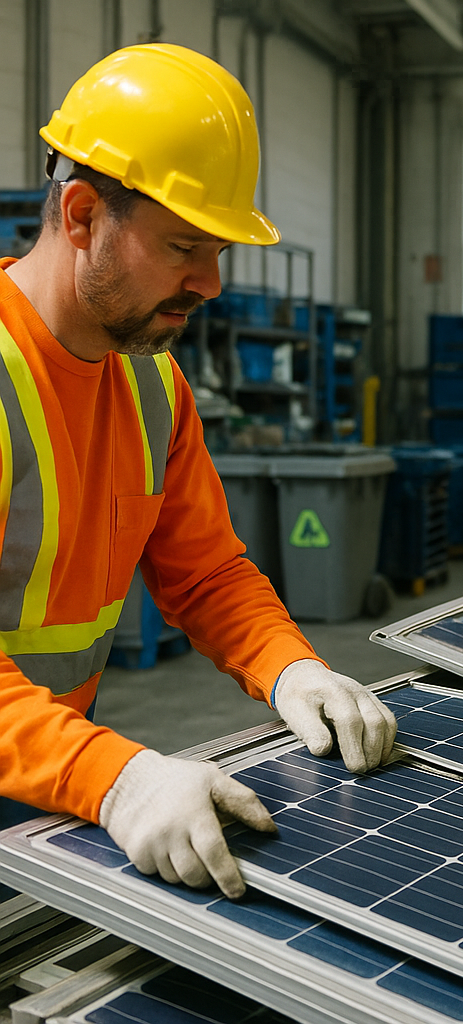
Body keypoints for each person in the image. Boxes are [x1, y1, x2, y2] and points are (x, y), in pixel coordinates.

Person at [0, 43, 396, 901]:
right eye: (184, 246)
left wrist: (293, 669)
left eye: (219, 251)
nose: (211, 283)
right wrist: (116, 777)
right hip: (59, 766)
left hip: (42, 778)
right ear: (79, 216)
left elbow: (208, 571)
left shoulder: (151, 382)